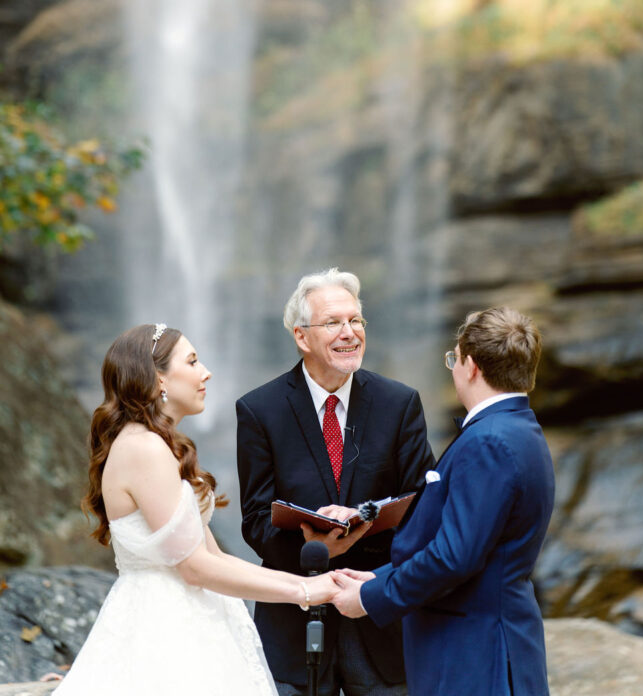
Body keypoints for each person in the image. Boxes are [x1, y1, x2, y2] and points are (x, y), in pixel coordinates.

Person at [54, 323, 337, 696]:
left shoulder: (158, 445)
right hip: (164, 634)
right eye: (192, 361)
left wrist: (309, 585)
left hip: (191, 618)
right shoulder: (145, 448)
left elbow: (212, 556)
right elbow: (194, 568)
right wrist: (301, 592)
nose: (207, 372)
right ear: (159, 380)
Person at [332, 307, 556, 696]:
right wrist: (379, 576)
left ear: (470, 366)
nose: (453, 369)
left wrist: (371, 597)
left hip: (474, 654)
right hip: (490, 643)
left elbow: (456, 556)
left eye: (454, 358)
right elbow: (473, 547)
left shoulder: (488, 441)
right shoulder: (521, 429)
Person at [236, 268, 435, 696]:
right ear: (301, 336)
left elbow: (426, 506)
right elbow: (254, 521)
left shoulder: (400, 403)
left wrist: (368, 521)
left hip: (380, 620)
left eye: (356, 320)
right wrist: (316, 550)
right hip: (294, 623)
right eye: (333, 323)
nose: (350, 333)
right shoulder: (258, 410)